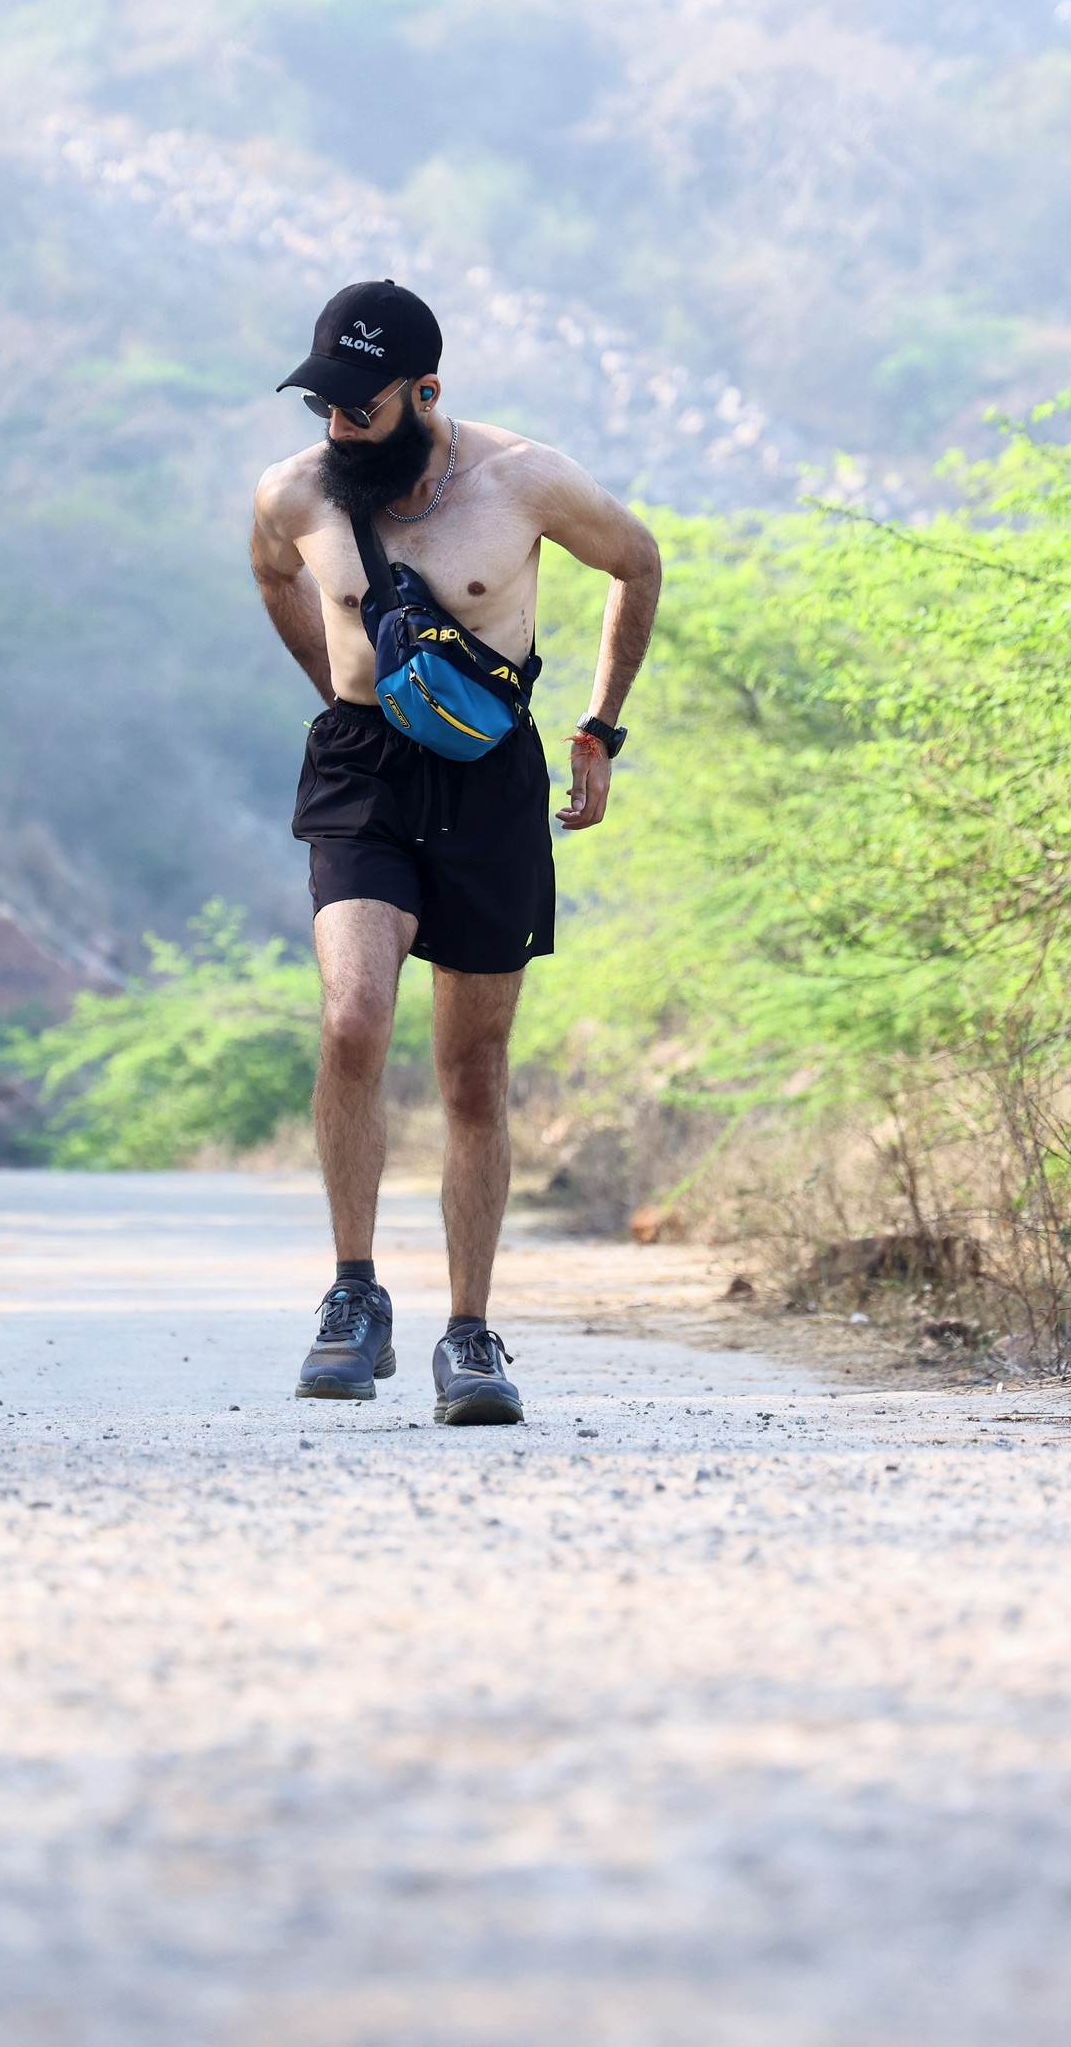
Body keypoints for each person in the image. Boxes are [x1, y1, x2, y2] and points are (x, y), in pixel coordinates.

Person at [250, 279, 663, 1426]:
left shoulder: (522, 480)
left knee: (472, 1070)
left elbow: (637, 562)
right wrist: (338, 685)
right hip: (361, 770)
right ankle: (353, 1293)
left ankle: (469, 1333)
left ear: (424, 392)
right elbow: (274, 575)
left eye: (361, 405)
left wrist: (599, 729)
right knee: (352, 1018)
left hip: (489, 778)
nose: (338, 426)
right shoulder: (294, 492)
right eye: (323, 403)